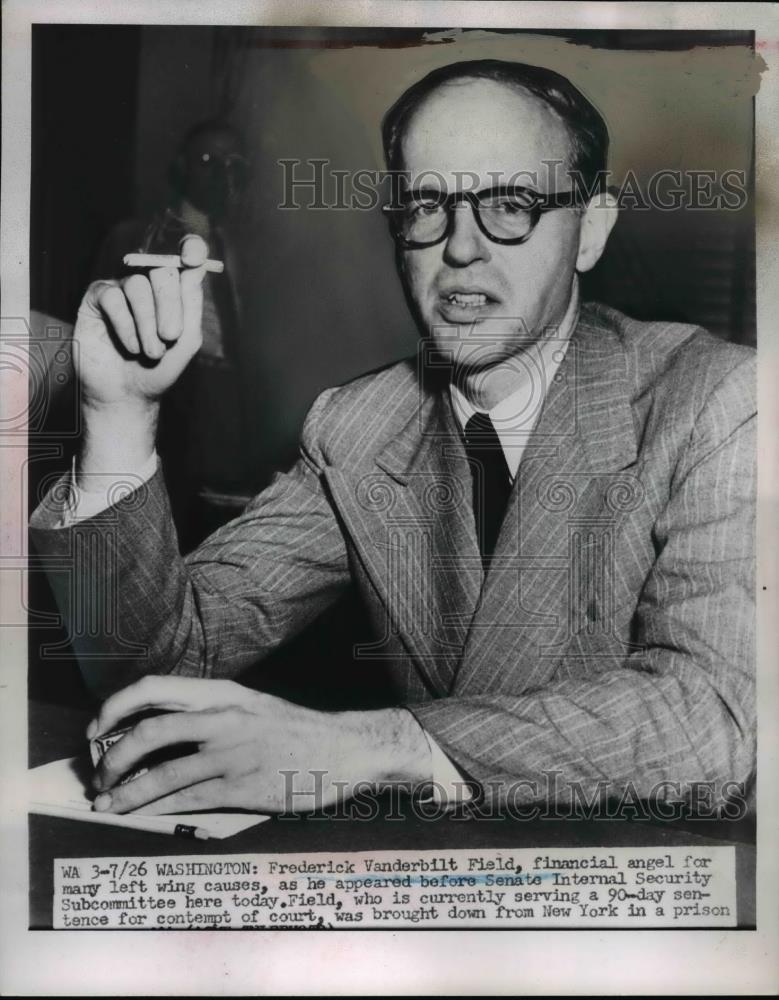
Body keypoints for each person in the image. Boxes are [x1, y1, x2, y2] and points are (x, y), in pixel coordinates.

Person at [30, 59, 756, 818]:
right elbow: (156, 666)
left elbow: (716, 722)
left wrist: (380, 746)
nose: (461, 248)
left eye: (509, 204)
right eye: (425, 205)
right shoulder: (359, 426)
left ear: (590, 230)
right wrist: (117, 417)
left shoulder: (717, 401)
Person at [93, 120, 254, 550]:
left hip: (221, 423)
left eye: (233, 165)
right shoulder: (138, 237)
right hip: (170, 416)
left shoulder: (231, 248)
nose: (221, 175)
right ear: (181, 168)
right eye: (207, 161)